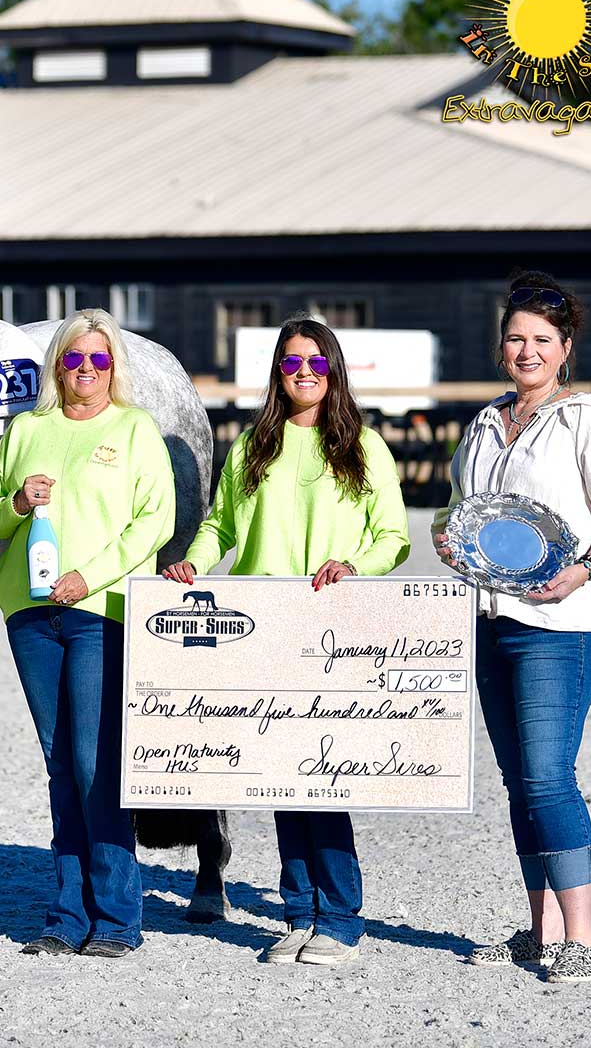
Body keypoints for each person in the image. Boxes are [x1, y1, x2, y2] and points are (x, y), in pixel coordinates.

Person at [433, 270, 591, 984]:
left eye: (542, 338)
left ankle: (583, 937)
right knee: (518, 783)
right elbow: (461, 513)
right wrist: (452, 542)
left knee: (547, 777)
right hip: (491, 618)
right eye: (515, 338)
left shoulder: (590, 420)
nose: (527, 350)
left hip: (561, 622)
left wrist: (584, 569)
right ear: (499, 345)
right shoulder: (483, 424)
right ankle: (539, 931)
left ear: (565, 347)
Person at [161, 316, 409, 966]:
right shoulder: (252, 447)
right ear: (278, 371)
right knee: (280, 778)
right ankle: (298, 914)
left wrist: (355, 566)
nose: (304, 372)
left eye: (316, 363)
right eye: (292, 362)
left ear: (333, 371)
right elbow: (220, 526)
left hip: (329, 630)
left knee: (323, 779)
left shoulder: (365, 448)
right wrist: (194, 563)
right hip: (261, 628)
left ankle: (342, 920)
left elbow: (393, 537)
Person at [0, 310, 175, 958]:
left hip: (102, 609)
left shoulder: (135, 428)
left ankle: (117, 917)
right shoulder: (25, 430)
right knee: (59, 762)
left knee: (96, 764)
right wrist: (16, 504)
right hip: (29, 612)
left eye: (99, 360)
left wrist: (91, 577)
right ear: (57, 365)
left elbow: (154, 520)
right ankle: (66, 916)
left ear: (114, 366)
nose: (86, 371)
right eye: (74, 359)